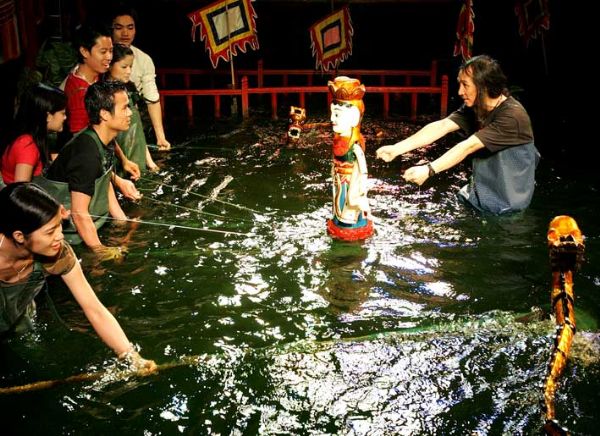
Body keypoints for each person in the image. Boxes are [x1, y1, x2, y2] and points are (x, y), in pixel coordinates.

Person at [0, 182, 156, 371]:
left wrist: (131, 357)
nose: (60, 236)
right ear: (19, 236)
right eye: (50, 232)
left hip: (20, 314)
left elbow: (94, 309)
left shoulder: (59, 254)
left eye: (59, 226)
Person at [376, 55, 540, 215]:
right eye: (459, 84)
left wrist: (429, 170)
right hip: (482, 189)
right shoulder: (476, 106)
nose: (460, 91)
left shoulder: (512, 117)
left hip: (508, 202)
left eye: (465, 85)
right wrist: (397, 148)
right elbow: (443, 125)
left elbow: (467, 146)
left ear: (483, 86)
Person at [42, 81, 141, 260]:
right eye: (124, 108)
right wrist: (101, 251)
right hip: (69, 235)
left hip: (93, 222)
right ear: (104, 114)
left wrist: (122, 221)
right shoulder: (86, 153)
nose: (130, 113)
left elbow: (104, 179)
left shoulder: (104, 139)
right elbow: (79, 213)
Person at [63, 23, 140, 181]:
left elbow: (105, 131)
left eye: (111, 51)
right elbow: (83, 146)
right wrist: (115, 180)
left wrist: (124, 160)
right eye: (103, 52)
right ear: (84, 51)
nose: (109, 57)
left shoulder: (97, 76)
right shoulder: (79, 92)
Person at [111, 5, 171, 150]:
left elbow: (152, 98)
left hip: (130, 118)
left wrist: (160, 137)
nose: (125, 33)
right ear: (111, 29)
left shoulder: (144, 60)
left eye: (130, 27)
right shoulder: (101, 56)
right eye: (119, 28)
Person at [326, 76, 374, 241]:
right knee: (339, 213)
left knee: (348, 218)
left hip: (351, 191)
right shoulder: (339, 141)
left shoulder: (355, 148)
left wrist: (356, 196)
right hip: (339, 186)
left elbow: (362, 173)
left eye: (337, 115)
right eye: (332, 113)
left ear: (354, 117)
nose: (332, 119)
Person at [106, 43, 159, 173]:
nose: (129, 71)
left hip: (137, 154)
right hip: (118, 160)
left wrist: (150, 162)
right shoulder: (104, 94)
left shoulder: (130, 88)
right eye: (124, 67)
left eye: (131, 67)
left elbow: (138, 129)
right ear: (110, 65)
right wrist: (124, 160)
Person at [1, 84, 67, 184]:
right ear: (48, 116)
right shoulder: (27, 146)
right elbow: (21, 188)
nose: (65, 117)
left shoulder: (30, 138)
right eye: (63, 113)